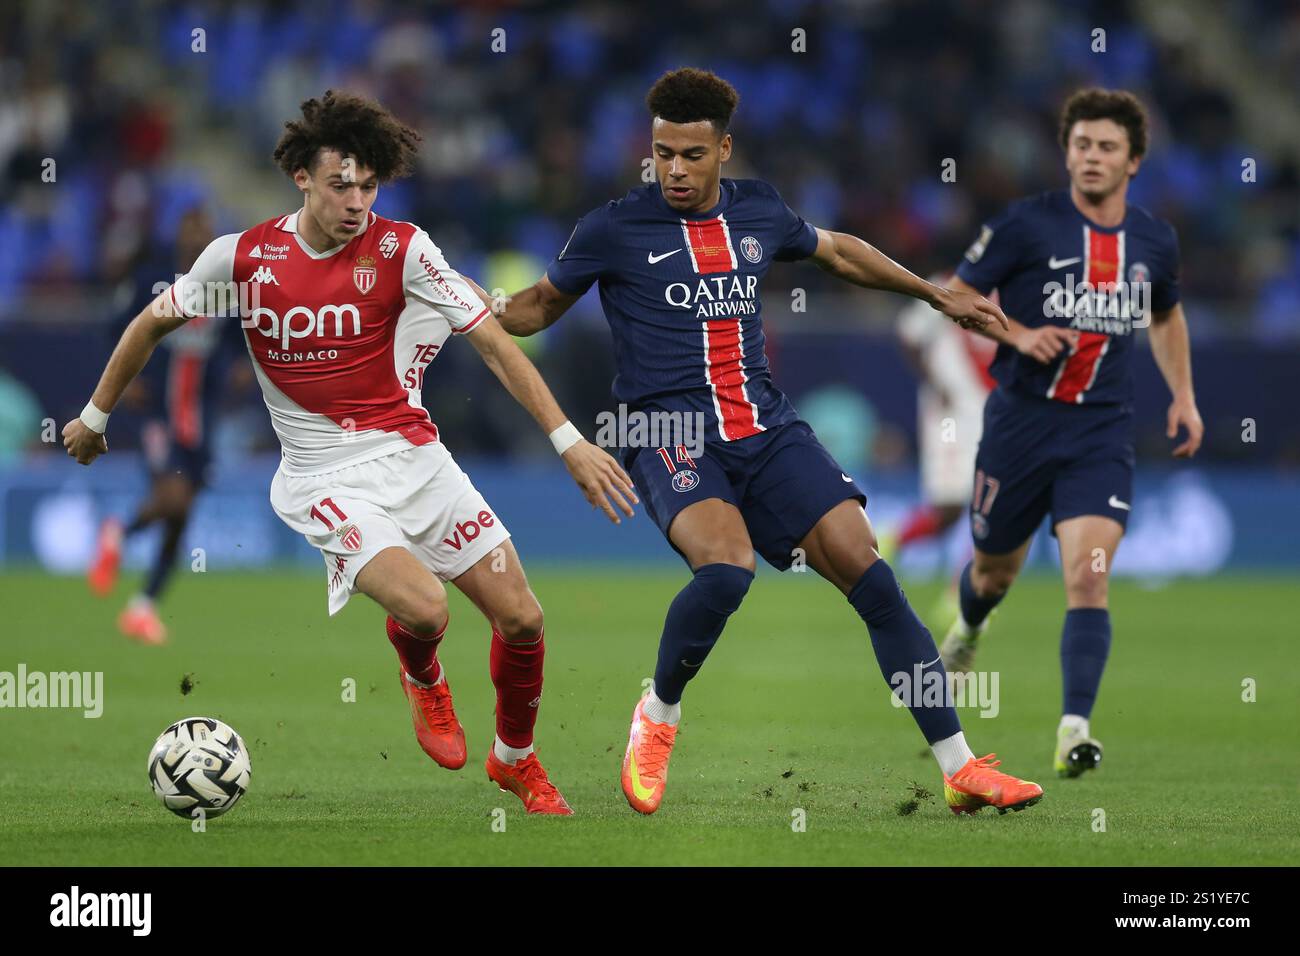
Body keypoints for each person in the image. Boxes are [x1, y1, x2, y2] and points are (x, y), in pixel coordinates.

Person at [62, 90, 637, 814]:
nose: (357, 201)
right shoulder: (240, 259)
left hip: (417, 458)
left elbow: (494, 344)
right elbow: (148, 325)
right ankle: (422, 676)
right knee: (428, 611)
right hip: (323, 477)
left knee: (524, 619)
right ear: (302, 176)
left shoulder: (405, 248)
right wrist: (93, 416)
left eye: (368, 185)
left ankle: (515, 760)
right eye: (341, 185)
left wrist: (570, 443)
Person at [488, 68, 1043, 816]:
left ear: (724, 149)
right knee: (725, 571)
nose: (673, 170)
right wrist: (469, 304)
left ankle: (959, 766)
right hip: (668, 431)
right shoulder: (613, 229)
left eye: (690, 154)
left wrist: (933, 292)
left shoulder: (759, 210)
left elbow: (839, 252)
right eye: (661, 154)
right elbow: (536, 308)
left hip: (768, 427)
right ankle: (658, 713)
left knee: (868, 571)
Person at [939, 88, 1203, 778]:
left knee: (1089, 581)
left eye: (1107, 147)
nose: (1091, 157)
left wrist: (1184, 395)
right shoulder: (1026, 225)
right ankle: (968, 628)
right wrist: (1020, 334)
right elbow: (957, 294)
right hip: (1020, 425)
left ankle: (1073, 730)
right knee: (994, 570)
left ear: (1134, 161)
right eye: (1081, 145)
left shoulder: (1154, 240)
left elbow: (1167, 316)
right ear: (1067, 153)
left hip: (1100, 433)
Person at [87, 206, 248, 645]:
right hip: (161, 416)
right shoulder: (152, 282)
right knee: (173, 501)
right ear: (178, 234)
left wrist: (240, 368)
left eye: (205, 227)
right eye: (190, 226)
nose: (198, 235)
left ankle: (142, 608)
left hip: (202, 419)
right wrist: (129, 380)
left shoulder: (229, 289)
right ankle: (117, 534)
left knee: (180, 519)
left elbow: (243, 339)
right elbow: (118, 329)